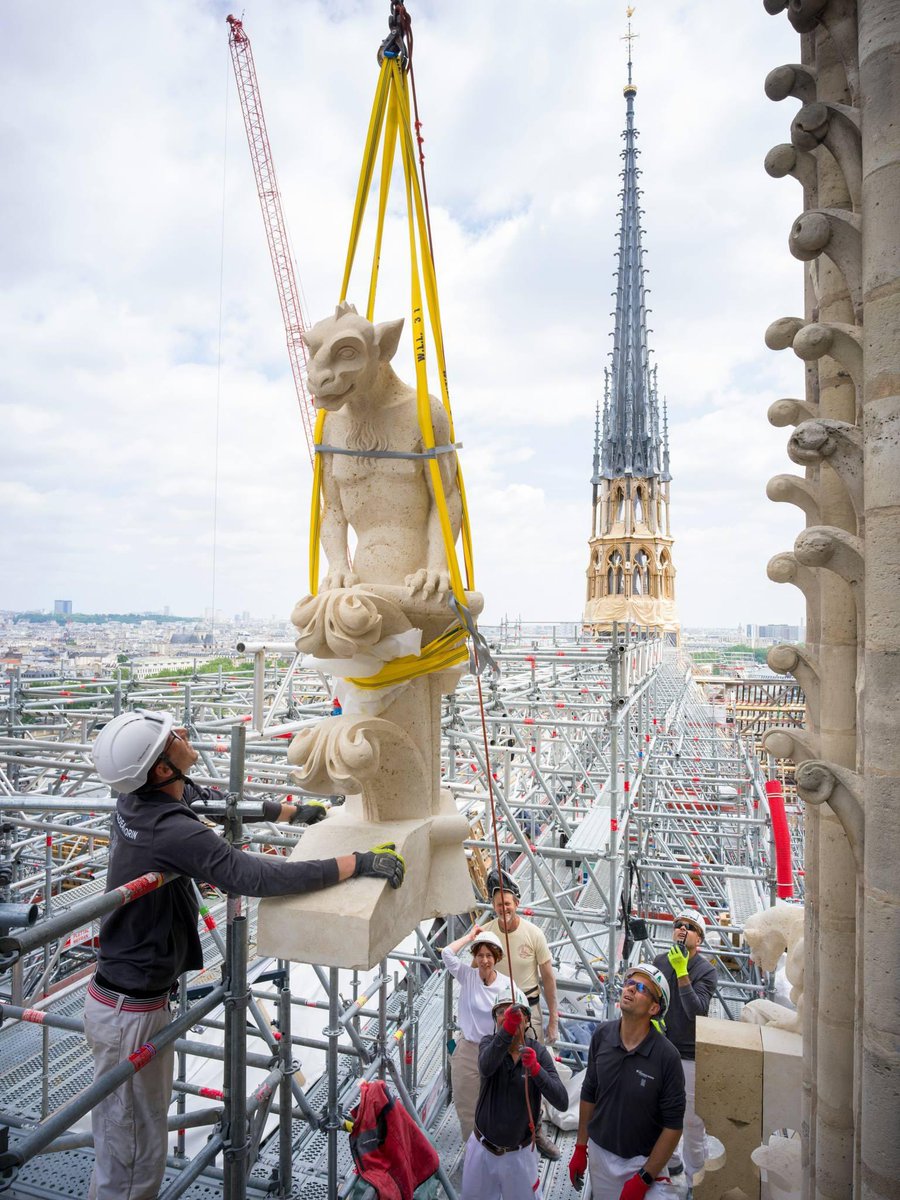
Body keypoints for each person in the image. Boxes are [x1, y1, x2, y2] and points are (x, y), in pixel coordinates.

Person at [85, 709, 405, 1200]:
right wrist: (356, 862)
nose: (185, 734)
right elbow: (254, 877)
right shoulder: (169, 830)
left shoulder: (140, 800)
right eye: (173, 738)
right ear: (163, 770)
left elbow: (208, 800)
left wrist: (293, 813)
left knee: (132, 1136)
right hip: (130, 1013)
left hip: (125, 1002)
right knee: (133, 1155)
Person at [568, 963, 685, 1200]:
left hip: (642, 1162)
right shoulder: (602, 1035)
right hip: (601, 1156)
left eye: (640, 987)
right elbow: (589, 1091)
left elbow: (673, 1126)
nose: (630, 989)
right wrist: (581, 1147)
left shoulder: (667, 1057)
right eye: (629, 983)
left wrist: (644, 1178)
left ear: (654, 1007)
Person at [479, 868, 561, 1161]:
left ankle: (535, 1129)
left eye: (508, 903)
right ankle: (491, 1124)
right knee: (495, 1068)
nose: (504, 909)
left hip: (530, 1009)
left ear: (516, 902)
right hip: (499, 1014)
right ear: (493, 906)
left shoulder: (533, 934)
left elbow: (548, 977)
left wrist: (553, 1018)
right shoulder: (487, 933)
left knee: (530, 1068)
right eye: (498, 904)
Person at [460, 985, 568, 1199]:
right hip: (482, 1151)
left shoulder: (538, 1052)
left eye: (513, 1012)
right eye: (501, 1013)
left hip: (520, 1155)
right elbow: (487, 1066)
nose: (506, 1016)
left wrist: (537, 1070)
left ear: (527, 1020)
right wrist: (508, 1030)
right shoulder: (489, 1043)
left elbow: (562, 1101)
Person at [652, 909, 717, 1191]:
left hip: (689, 1055)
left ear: (698, 938)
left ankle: (696, 1182)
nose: (682, 929)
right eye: (678, 925)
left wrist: (681, 973)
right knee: (660, 1115)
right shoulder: (658, 962)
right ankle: (668, 1166)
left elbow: (696, 1011)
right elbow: (652, 1000)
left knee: (691, 1123)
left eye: (689, 927)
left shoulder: (706, 970)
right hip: (660, 1051)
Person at [441, 926, 508, 1144]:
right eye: (480, 955)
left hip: (494, 1050)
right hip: (468, 1049)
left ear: (496, 957)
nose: (485, 960)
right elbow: (446, 954)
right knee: (467, 1104)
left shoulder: (507, 985)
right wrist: (470, 937)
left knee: (495, 1103)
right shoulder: (467, 976)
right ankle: (472, 1151)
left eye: (489, 955)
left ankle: (492, 1149)